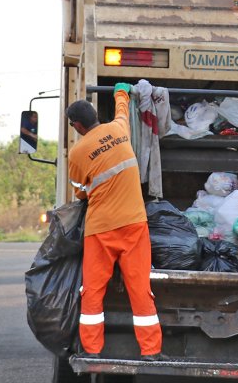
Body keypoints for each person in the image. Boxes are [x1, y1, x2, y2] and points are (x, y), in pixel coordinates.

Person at [65, 83, 164, 361]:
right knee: (140, 289)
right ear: (95, 116)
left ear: (77, 126)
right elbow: (122, 109)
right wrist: (121, 91)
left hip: (100, 230)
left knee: (93, 293)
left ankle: (93, 352)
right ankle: (151, 352)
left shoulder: (77, 152)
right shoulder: (119, 129)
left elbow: (79, 191)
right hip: (134, 224)